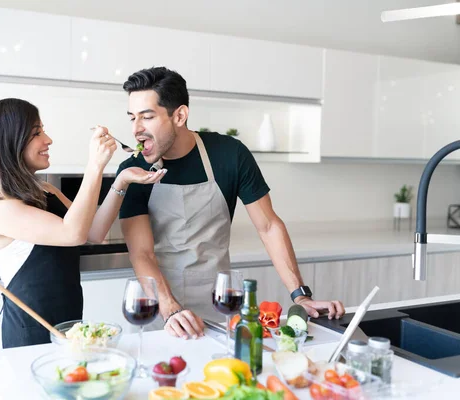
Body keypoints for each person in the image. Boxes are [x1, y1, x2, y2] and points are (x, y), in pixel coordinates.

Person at [115, 67, 346, 339]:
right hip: (159, 313)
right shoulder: (132, 170)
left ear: (179, 115)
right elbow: (142, 253)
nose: (136, 130)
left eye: (147, 117)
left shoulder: (229, 154)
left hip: (219, 307)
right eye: (132, 118)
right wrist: (170, 309)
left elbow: (269, 226)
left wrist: (301, 295)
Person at [0, 98, 165, 348]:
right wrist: (95, 165)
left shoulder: (43, 190)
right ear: (8, 141)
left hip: (67, 325)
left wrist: (121, 181)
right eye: (36, 133)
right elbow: (73, 234)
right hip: (28, 334)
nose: (48, 139)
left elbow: (94, 232)